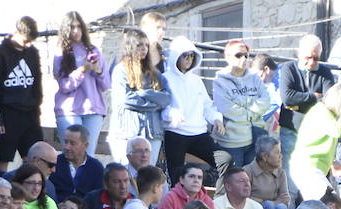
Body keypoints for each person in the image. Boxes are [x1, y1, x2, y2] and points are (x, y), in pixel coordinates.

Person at [0, 17, 43, 167]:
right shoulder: (0, 54)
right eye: (25, 41)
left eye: (30, 41)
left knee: (35, 158)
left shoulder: (32, 53)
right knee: (3, 159)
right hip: (8, 114)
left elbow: (37, 82)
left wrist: (36, 106)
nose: (28, 45)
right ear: (16, 32)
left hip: (30, 113)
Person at [108, 29, 170, 166]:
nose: (144, 49)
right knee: (126, 174)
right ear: (130, 46)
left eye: (146, 45)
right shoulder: (120, 70)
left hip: (152, 133)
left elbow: (166, 98)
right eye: (139, 45)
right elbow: (125, 99)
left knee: (147, 175)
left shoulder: (155, 73)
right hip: (126, 132)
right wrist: (154, 103)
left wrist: (144, 93)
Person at [163, 37, 223, 178]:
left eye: (192, 55)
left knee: (226, 162)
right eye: (185, 55)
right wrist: (172, 114)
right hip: (175, 133)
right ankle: (179, 200)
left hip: (199, 133)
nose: (189, 59)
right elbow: (161, 107)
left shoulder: (196, 80)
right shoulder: (165, 78)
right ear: (175, 57)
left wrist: (216, 119)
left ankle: (216, 195)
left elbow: (207, 105)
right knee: (176, 177)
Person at [213, 39, 276, 173]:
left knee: (252, 182)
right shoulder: (219, 81)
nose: (243, 59)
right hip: (231, 142)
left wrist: (243, 106)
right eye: (238, 55)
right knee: (233, 182)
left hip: (255, 139)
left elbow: (265, 102)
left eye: (246, 55)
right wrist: (252, 111)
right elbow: (227, 109)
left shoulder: (255, 79)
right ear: (227, 57)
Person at [288, 79, 341, 202]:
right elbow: (338, 132)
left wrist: (332, 161)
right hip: (307, 167)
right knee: (329, 203)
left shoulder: (326, 113)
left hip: (312, 167)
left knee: (317, 207)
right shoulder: (321, 112)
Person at [278, 35, 336, 165]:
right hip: (291, 129)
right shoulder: (289, 68)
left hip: (316, 132)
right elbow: (287, 97)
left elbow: (329, 102)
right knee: (291, 171)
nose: (311, 62)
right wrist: (314, 96)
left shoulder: (325, 73)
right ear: (299, 54)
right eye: (308, 57)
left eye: (316, 58)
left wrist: (299, 101)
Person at [52, 11, 107, 143]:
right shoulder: (61, 53)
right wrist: (83, 69)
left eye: (79, 26)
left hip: (93, 109)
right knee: (72, 153)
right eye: (72, 27)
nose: (76, 31)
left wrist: (97, 70)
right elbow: (65, 86)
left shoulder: (93, 50)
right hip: (69, 110)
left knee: (88, 156)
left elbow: (105, 85)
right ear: (65, 30)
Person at [52, 124, 104, 200]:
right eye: (66, 142)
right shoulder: (54, 163)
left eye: (72, 143)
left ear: (85, 145)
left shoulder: (96, 167)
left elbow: (99, 197)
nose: (67, 147)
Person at [247, 136, 290, 209]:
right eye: (277, 152)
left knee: (281, 207)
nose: (281, 156)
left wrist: (267, 202)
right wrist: (265, 203)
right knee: (269, 206)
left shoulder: (281, 172)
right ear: (265, 156)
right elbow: (243, 198)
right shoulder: (247, 172)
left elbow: (285, 199)